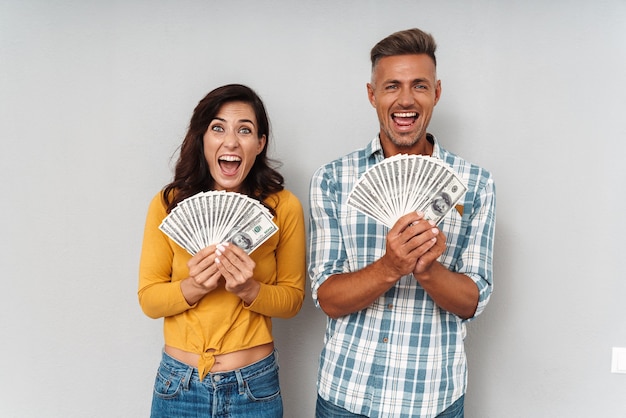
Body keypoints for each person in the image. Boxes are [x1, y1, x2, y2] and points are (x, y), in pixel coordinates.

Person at [308, 28, 496, 418]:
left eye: (419, 86)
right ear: (372, 94)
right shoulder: (332, 179)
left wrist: (428, 271)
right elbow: (327, 297)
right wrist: (390, 267)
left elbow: (473, 301)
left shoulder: (476, 184)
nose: (406, 100)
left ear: (437, 92)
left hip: (433, 400)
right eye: (392, 86)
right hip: (346, 397)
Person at [139, 84, 306, 417]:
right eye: (218, 128)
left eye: (244, 130)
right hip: (179, 386)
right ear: (202, 138)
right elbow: (149, 299)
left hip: (254, 386)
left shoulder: (283, 206)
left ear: (259, 144)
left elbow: (293, 300)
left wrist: (250, 289)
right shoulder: (167, 204)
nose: (231, 141)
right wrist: (193, 287)